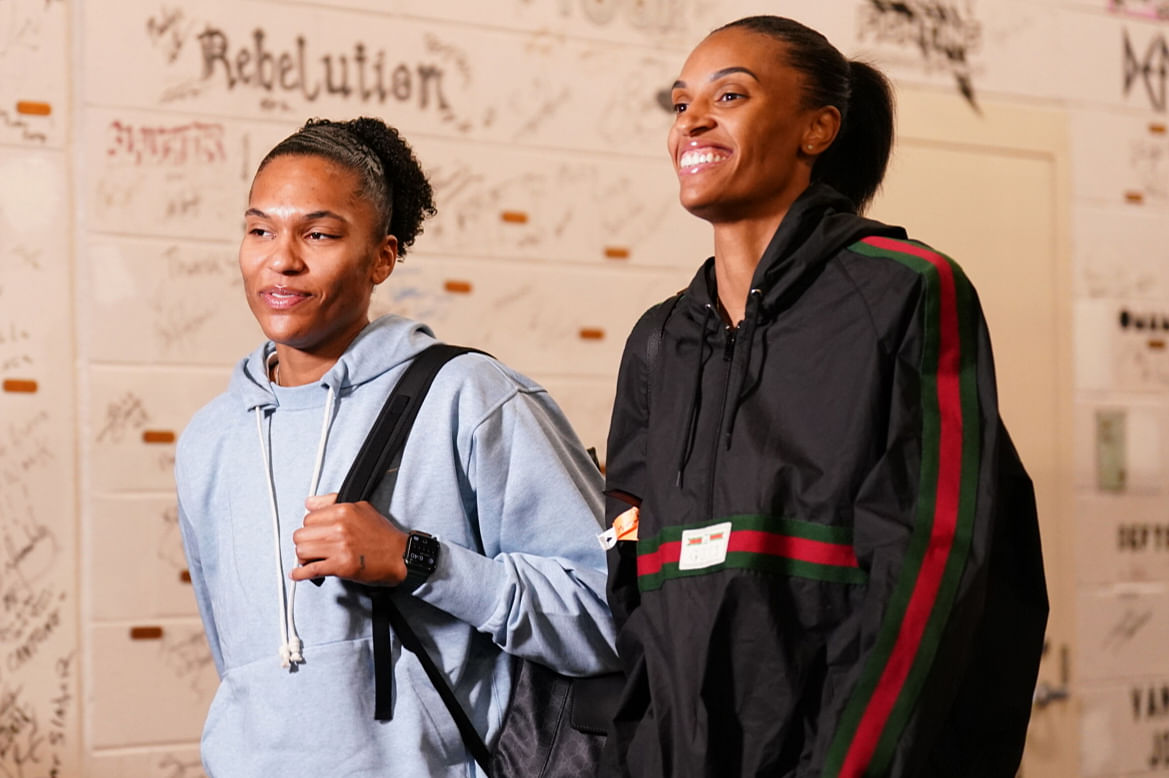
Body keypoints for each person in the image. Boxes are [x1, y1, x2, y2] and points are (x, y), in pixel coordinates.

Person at [602, 15, 1048, 778]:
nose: (693, 121)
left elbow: (930, 567)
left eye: (729, 95)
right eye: (679, 104)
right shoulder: (656, 341)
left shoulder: (904, 288)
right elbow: (633, 584)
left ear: (817, 128)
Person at [175, 116, 618, 776]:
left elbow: (604, 618)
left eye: (318, 234)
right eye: (260, 229)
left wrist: (420, 561)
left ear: (382, 257)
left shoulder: (469, 397)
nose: (281, 258)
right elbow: (239, 659)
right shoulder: (210, 438)